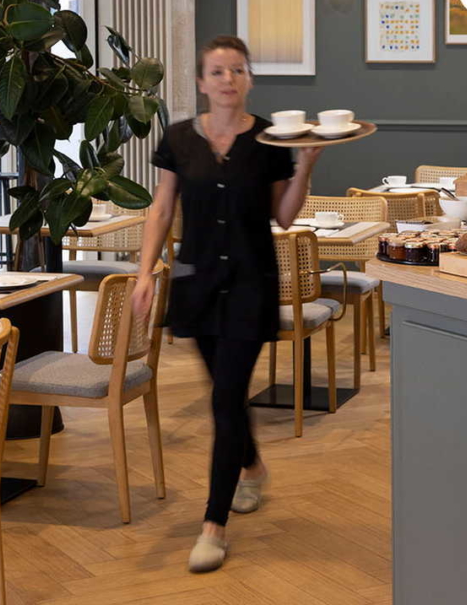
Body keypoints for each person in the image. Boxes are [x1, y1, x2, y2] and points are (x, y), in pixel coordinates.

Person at [130, 35, 323, 574]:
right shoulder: (177, 139)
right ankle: (253, 467)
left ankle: (213, 525)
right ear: (201, 81)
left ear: (249, 79)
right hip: (196, 285)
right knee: (226, 394)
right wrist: (144, 274)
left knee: (225, 400)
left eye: (237, 70)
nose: (228, 79)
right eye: (217, 71)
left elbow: (284, 216)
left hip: (250, 285)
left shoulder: (270, 138)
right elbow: (161, 208)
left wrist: (305, 166)